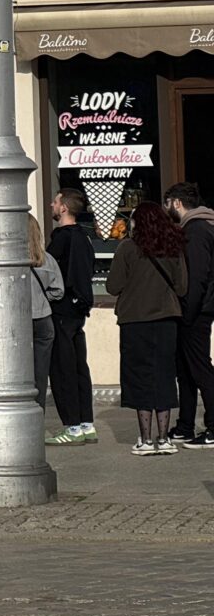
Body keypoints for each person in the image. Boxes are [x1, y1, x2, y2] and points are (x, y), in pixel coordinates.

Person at [109, 202, 188, 455]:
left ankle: (145, 439)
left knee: (139, 377)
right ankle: (164, 438)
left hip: (134, 320)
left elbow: (112, 286)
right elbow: (182, 287)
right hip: (166, 319)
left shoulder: (127, 248)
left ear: (137, 223)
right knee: (164, 375)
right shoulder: (173, 248)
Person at [46, 188, 99, 446]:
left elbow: (48, 270)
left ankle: (72, 426)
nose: (51, 205)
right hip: (79, 309)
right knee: (79, 367)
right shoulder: (85, 237)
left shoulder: (62, 238)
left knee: (62, 367)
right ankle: (86, 423)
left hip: (62, 307)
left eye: (55, 202)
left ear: (64, 208)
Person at [164, 183, 214, 447]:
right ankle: (185, 425)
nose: (166, 209)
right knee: (184, 370)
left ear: (177, 203)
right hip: (195, 308)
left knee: (199, 367)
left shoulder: (196, 231)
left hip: (196, 310)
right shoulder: (198, 228)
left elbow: (197, 277)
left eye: (167, 203)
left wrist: (188, 312)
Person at [28, 215, 64, 410]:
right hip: (43, 319)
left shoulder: (12, 261)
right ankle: (37, 416)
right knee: (40, 375)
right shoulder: (46, 259)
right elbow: (59, 291)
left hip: (21, 321)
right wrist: (42, 299)